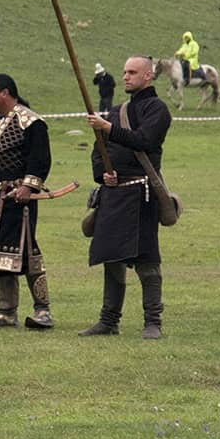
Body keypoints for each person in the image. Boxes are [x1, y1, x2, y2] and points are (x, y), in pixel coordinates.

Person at [81, 56, 173, 339]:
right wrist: (102, 174)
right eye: (124, 72)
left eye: (132, 72)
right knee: (112, 260)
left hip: (141, 195)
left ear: (148, 76)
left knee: (147, 262)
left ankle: (153, 322)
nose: (125, 77)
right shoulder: (117, 110)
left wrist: (109, 129)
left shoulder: (158, 109)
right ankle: (109, 321)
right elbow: (100, 151)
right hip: (113, 195)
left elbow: (145, 140)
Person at [0, 74, 54, 330]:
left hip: (18, 200)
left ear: (5, 93)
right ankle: (6, 313)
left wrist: (28, 185)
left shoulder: (31, 123)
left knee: (27, 252)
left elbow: (40, 158)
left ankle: (43, 310)